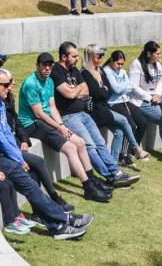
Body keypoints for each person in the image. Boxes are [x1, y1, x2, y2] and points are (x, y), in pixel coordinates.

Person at [0, 68, 94, 240]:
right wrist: (18, 159)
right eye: (6, 85)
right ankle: (64, 220)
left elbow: (8, 133)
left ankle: (57, 225)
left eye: (11, 83)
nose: (10, 88)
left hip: (2, 154)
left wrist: (18, 155)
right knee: (29, 184)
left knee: (32, 177)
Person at [17, 52, 113, 202]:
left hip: (46, 121)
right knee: (70, 148)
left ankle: (92, 180)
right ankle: (88, 187)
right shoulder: (31, 84)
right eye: (44, 65)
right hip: (31, 124)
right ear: (37, 66)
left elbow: (52, 107)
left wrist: (61, 124)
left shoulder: (49, 81)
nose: (47, 68)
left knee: (80, 143)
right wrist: (59, 127)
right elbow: (39, 113)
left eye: (50, 65)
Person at [50, 42, 139, 187]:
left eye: (78, 56)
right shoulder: (56, 71)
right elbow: (68, 93)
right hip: (69, 116)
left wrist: (74, 90)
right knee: (89, 146)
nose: (77, 59)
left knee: (100, 143)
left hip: (84, 114)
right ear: (63, 56)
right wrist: (75, 91)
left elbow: (85, 90)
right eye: (74, 56)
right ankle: (110, 176)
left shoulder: (73, 70)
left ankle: (116, 172)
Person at [0, 74, 76, 212]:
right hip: (4, 149)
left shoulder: (8, 97)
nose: (12, 85)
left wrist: (23, 140)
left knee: (34, 171)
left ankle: (41, 209)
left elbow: (15, 121)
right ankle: (53, 199)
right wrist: (17, 155)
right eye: (8, 83)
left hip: (13, 141)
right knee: (38, 163)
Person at [81, 44, 147, 166]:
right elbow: (98, 94)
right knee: (124, 120)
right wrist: (105, 90)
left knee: (119, 133)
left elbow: (109, 90)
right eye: (99, 55)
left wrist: (105, 90)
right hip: (95, 111)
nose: (102, 58)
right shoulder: (85, 73)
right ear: (90, 56)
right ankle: (136, 148)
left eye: (103, 55)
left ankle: (113, 164)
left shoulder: (99, 70)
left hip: (104, 108)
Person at [103, 50, 151, 162]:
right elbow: (116, 89)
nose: (120, 66)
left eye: (122, 64)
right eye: (118, 63)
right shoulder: (107, 71)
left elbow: (130, 87)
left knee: (143, 123)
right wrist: (125, 86)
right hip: (113, 103)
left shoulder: (123, 71)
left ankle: (133, 150)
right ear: (111, 61)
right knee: (131, 125)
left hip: (125, 100)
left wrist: (123, 87)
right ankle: (123, 154)